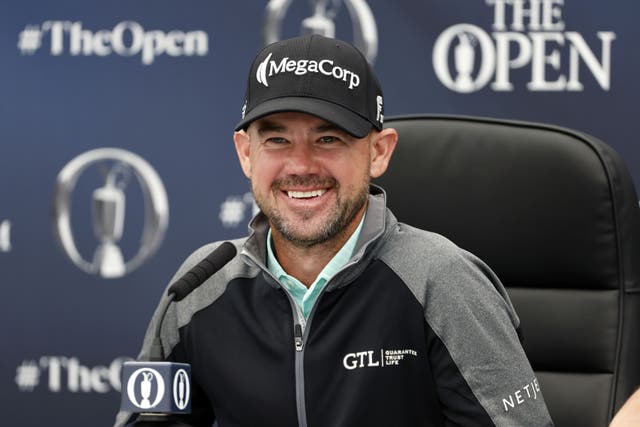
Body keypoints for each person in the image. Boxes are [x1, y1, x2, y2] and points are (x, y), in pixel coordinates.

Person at [116, 34, 553, 426]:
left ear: (379, 152)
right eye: (277, 140)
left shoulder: (443, 282)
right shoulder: (198, 287)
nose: (301, 166)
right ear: (246, 153)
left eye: (329, 140)